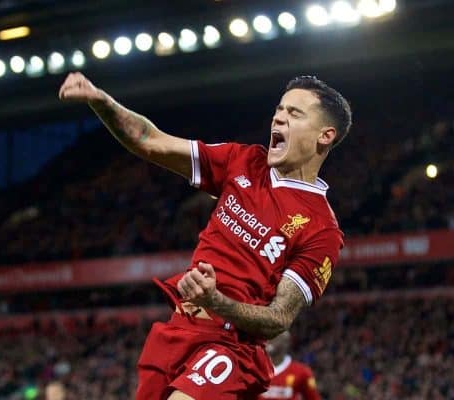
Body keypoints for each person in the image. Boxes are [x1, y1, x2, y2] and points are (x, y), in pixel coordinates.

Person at [59, 72, 351, 400]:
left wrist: (217, 302)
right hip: (179, 329)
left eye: (294, 113)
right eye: (279, 110)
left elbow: (278, 319)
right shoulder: (243, 162)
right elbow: (151, 141)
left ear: (325, 135)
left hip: (232, 348)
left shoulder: (321, 229)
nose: (279, 117)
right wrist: (101, 101)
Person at [259, 331, 321, 400]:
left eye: (274, 336)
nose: (269, 340)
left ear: (286, 342)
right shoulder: (254, 369)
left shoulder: (302, 372)